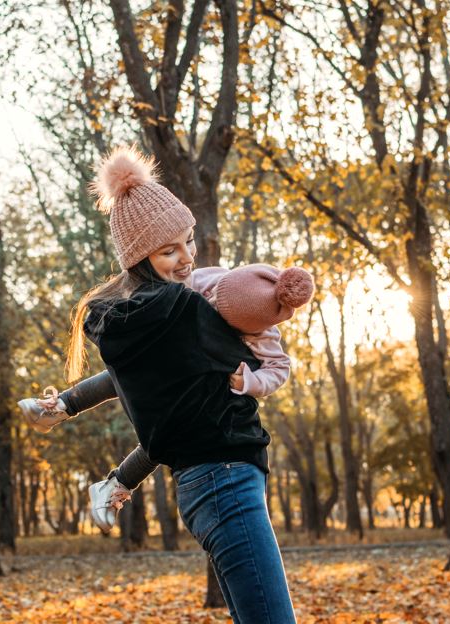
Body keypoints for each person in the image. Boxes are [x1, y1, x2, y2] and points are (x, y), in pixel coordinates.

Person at [23, 145, 300, 623]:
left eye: (189, 241)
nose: (188, 258)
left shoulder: (150, 321)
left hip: (211, 480)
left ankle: (69, 421)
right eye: (169, 250)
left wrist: (74, 412)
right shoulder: (183, 311)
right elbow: (200, 397)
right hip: (225, 478)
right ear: (139, 257)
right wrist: (252, 356)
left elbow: (168, 413)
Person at [21, 260, 313, 532]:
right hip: (179, 360)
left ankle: (117, 483)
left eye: (221, 313)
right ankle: (59, 405)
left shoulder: (265, 335)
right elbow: (180, 294)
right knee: (127, 373)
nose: (210, 305)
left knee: (169, 434)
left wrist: (250, 381)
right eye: (212, 298)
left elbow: (279, 369)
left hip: (205, 392)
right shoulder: (209, 280)